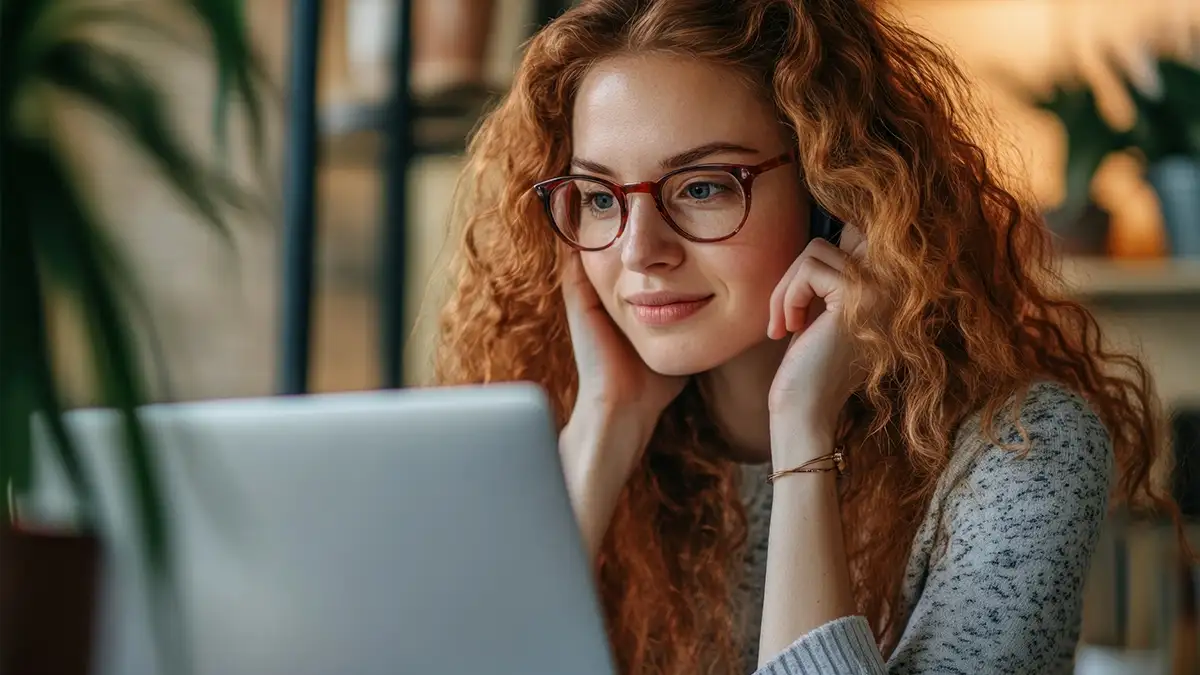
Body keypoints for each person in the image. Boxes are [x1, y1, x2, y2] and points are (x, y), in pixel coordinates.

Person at [434, 0, 1181, 673]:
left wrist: (802, 430)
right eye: (598, 197)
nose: (638, 251)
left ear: (836, 191)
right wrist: (601, 429)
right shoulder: (569, 438)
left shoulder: (1025, 451)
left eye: (702, 186)